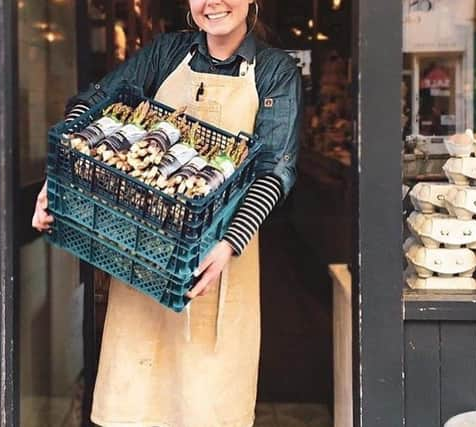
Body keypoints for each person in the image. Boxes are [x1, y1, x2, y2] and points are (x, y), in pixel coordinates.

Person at [32, 0, 301, 425]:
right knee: (134, 402)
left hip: (217, 266)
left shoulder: (274, 71)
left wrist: (230, 243)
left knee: (206, 406)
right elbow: (96, 103)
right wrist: (62, 171)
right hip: (144, 260)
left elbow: (274, 172)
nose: (212, 3)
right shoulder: (165, 54)